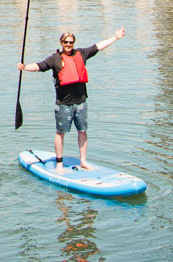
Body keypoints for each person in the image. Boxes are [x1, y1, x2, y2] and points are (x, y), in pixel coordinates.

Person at [17, 27, 125, 173]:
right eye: (66, 42)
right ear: (61, 43)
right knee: (61, 132)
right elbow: (40, 66)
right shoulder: (55, 59)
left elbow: (98, 46)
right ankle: (59, 163)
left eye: (71, 42)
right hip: (64, 104)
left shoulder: (81, 53)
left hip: (80, 102)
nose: (69, 45)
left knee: (83, 131)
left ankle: (84, 161)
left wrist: (116, 37)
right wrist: (24, 67)